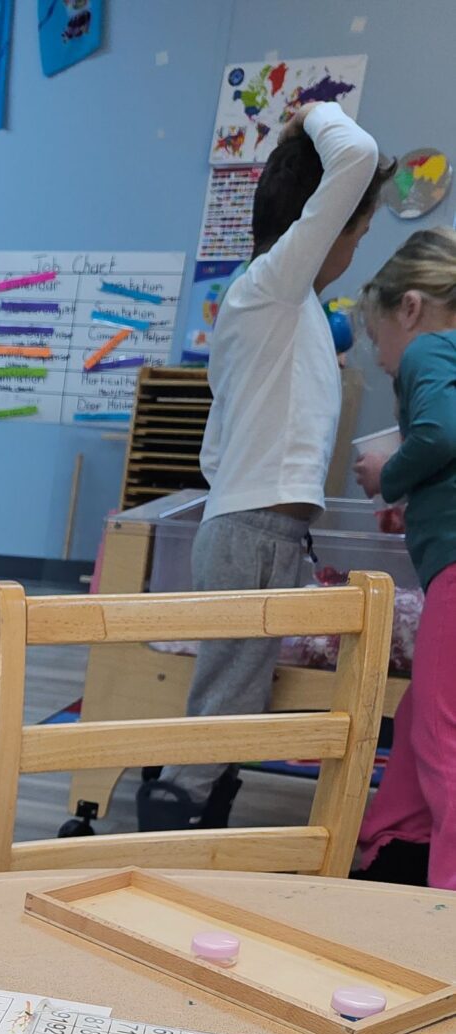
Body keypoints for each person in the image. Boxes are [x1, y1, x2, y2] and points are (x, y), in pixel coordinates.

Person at [141, 102, 391, 831]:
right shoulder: (275, 282)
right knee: (227, 697)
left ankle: (200, 806)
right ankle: (174, 818)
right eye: (359, 232)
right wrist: (316, 113)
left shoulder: (278, 302)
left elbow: (220, 443)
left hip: (253, 527)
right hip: (252, 529)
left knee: (238, 691)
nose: (352, 251)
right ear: (323, 226)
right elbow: (357, 153)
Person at [353, 230, 456, 888]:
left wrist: (389, 473)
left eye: (377, 338)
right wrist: (415, 495)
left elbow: (441, 430)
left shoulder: (428, 351)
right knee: (421, 712)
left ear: (409, 307)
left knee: (441, 734)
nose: (384, 362)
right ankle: (395, 838)